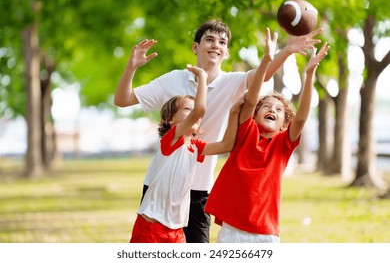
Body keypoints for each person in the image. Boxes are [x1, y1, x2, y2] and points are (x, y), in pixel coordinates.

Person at [114, 18, 323, 243]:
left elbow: (264, 75)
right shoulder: (174, 79)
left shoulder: (232, 82)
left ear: (226, 52)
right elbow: (123, 99)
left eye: (222, 42)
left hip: (199, 188)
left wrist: (288, 50)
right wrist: (131, 67)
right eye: (210, 40)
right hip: (161, 183)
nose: (216, 45)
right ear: (196, 47)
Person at [204, 33, 330, 243]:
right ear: (255, 114)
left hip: (265, 233)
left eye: (279, 109)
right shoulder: (246, 131)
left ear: (284, 123)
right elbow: (251, 99)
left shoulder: (283, 144)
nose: (272, 109)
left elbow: (301, 119)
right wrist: (266, 61)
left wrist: (309, 75)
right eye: (267, 106)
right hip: (232, 231)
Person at [130, 64, 243, 243]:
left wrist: (234, 112)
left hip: (176, 230)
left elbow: (227, 145)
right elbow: (200, 110)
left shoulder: (195, 147)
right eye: (187, 109)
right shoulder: (172, 138)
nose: (195, 115)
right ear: (170, 119)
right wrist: (202, 78)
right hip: (152, 226)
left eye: (194, 111)